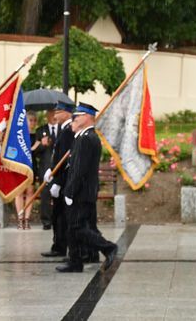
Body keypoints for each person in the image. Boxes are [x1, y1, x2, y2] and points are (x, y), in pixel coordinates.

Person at [56, 103, 118, 273]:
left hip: (81, 192)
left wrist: (70, 191)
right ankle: (75, 261)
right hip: (82, 190)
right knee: (72, 227)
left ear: (87, 117)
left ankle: (108, 247)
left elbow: (79, 170)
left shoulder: (86, 138)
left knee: (77, 227)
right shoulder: (83, 137)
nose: (73, 120)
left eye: (77, 117)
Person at [42, 102, 75, 257]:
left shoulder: (69, 131)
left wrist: (58, 182)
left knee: (62, 216)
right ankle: (59, 245)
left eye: (58, 112)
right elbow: (58, 155)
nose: (55, 115)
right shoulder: (64, 129)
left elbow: (66, 160)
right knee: (58, 215)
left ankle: (62, 246)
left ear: (67, 113)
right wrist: (51, 170)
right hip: (58, 177)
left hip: (64, 180)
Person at [35, 110, 58, 230]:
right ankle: (46, 221)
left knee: (59, 194)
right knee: (45, 195)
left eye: (55, 113)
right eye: (51, 114)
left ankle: (58, 219)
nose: (54, 116)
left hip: (59, 167)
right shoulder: (40, 131)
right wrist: (41, 145)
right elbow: (34, 151)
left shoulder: (62, 129)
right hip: (45, 168)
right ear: (47, 116)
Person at [15, 111, 39, 229]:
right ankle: (20, 219)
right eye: (31, 120)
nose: (33, 123)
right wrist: (34, 147)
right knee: (19, 192)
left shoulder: (36, 136)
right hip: (21, 165)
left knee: (30, 192)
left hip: (32, 166)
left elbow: (38, 153)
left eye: (35, 120)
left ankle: (27, 219)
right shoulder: (19, 135)